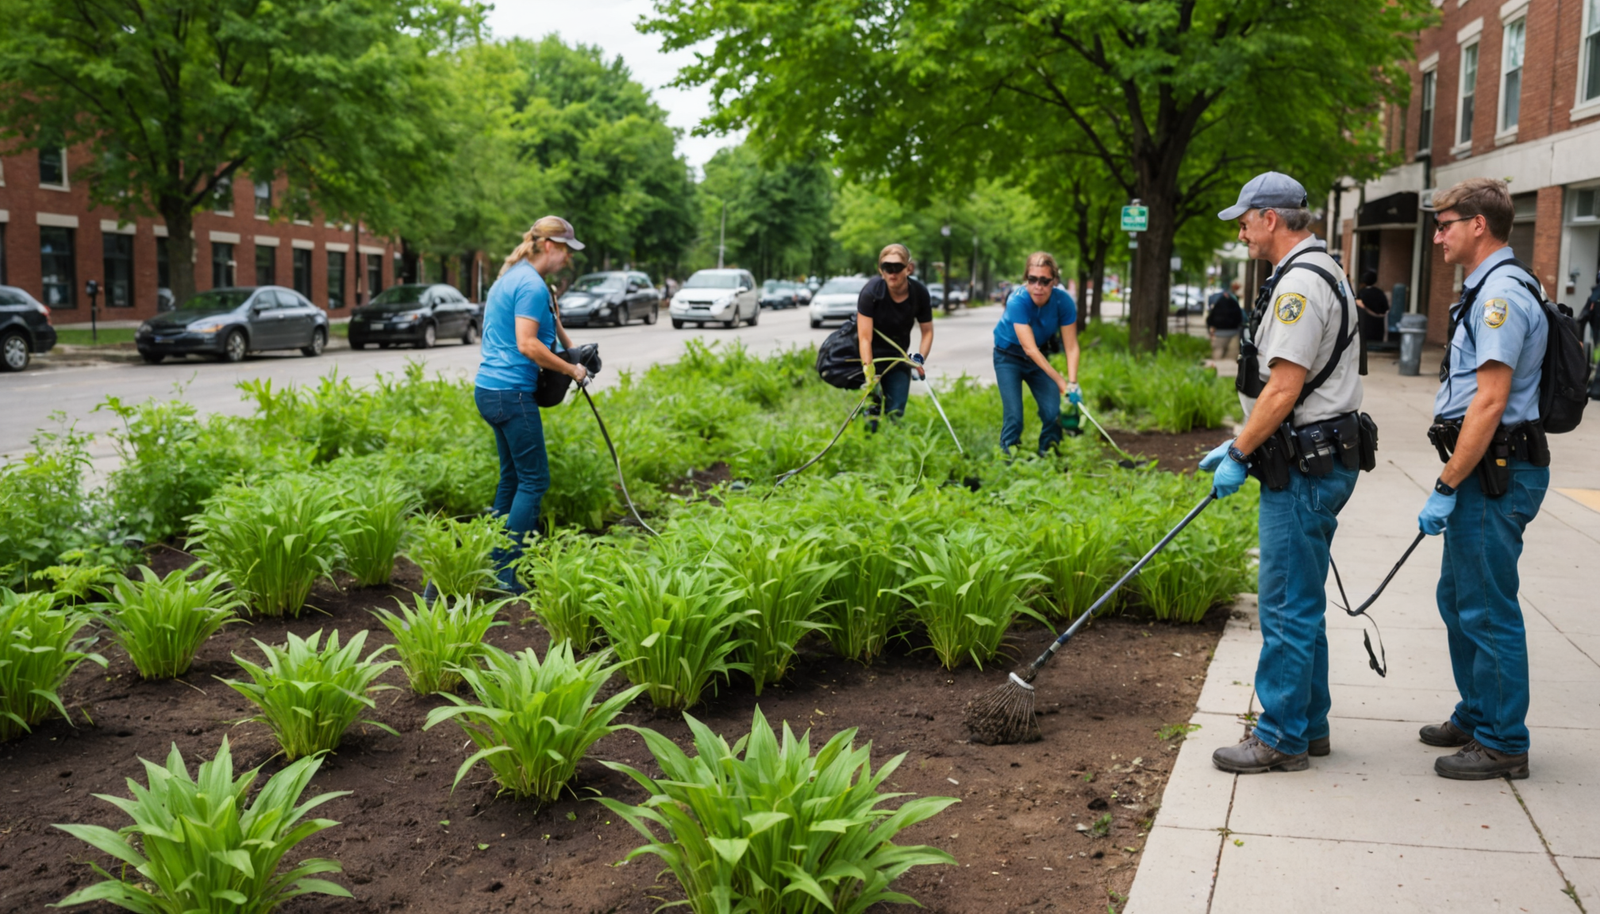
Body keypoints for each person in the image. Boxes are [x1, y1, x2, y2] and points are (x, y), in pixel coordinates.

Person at [1200, 172, 1365, 774]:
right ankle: (1308, 725)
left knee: (1286, 607)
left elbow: (1285, 386)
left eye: (1244, 219)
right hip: (1311, 457)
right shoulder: (1318, 272)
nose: (1241, 229)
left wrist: (1241, 453)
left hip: (1303, 468)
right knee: (1302, 601)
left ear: (1271, 218)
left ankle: (1280, 736)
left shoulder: (1300, 285)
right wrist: (1241, 442)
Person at [1415, 178, 1550, 780]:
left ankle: (1502, 740)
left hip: (1496, 471)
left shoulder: (1499, 296)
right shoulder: (1486, 289)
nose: (1437, 234)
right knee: (1460, 598)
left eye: (1445, 224)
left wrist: (1445, 485)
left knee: (1487, 607)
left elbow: (1490, 402)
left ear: (1478, 225)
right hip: (1485, 469)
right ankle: (1477, 713)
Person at [473, 216, 589, 593]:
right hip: (512, 394)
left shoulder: (511, 278)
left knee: (512, 478)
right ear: (550, 247)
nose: (568, 259)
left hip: (489, 390)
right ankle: (503, 573)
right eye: (567, 251)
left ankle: (487, 563)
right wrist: (572, 370)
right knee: (535, 480)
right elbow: (527, 345)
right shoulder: (530, 285)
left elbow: (544, 332)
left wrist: (575, 355)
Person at [992, 252, 1081, 456]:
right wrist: (1061, 381)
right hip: (1008, 357)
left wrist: (1073, 383)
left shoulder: (1063, 302)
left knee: (1052, 412)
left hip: (1037, 359)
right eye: (1032, 280)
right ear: (1026, 279)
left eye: (1044, 281)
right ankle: (1007, 461)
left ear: (1054, 281)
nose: (1038, 286)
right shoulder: (1017, 300)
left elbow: (1071, 347)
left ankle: (1048, 456)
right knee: (1014, 416)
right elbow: (1029, 348)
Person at [857, 244, 934, 431]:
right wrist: (869, 372)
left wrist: (919, 358)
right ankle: (869, 452)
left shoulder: (919, 293)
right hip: (872, 359)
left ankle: (893, 453)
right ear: (880, 270)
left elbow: (927, 331)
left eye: (897, 267)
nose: (892, 273)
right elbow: (864, 338)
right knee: (870, 416)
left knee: (896, 414)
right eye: (887, 267)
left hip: (898, 360)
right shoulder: (871, 293)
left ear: (908, 268)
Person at [1206, 288, 1243, 361]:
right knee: (1232, 356)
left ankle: (1217, 369)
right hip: (1233, 332)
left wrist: (1210, 330)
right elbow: (1240, 318)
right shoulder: (1234, 303)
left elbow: (1209, 320)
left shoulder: (1218, 304)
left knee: (1218, 352)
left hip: (1219, 333)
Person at [1356, 269, 1391, 344]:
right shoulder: (1379, 292)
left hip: (1366, 325)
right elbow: (1386, 308)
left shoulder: (1362, 293)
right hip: (1379, 325)